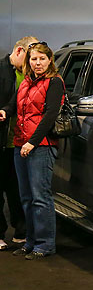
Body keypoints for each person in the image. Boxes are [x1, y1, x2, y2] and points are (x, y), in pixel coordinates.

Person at [0, 42, 65, 259]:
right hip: (20, 144)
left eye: (42, 59)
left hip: (41, 146)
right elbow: (14, 104)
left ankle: (45, 244)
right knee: (26, 197)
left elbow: (50, 115)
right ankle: (30, 242)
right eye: (34, 59)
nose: (37, 63)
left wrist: (32, 142)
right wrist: (5, 111)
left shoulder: (54, 82)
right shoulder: (27, 81)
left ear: (50, 60)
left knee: (40, 197)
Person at [0, 36, 37, 249]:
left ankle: (20, 231)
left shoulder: (31, 76)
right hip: (2, 141)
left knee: (18, 190)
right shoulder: (2, 70)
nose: (33, 62)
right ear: (19, 51)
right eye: (30, 57)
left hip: (20, 144)